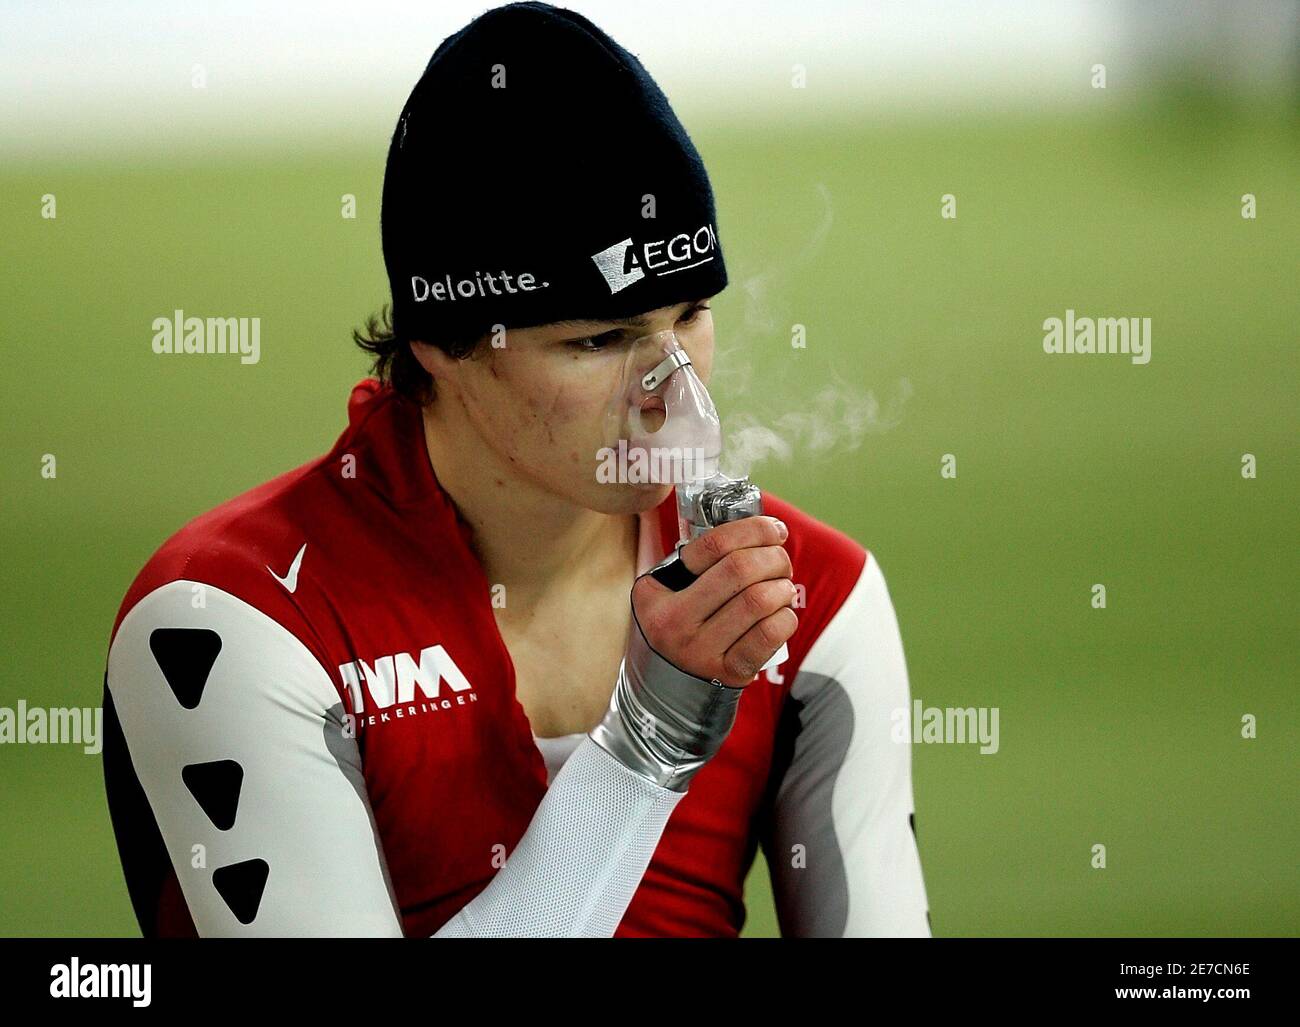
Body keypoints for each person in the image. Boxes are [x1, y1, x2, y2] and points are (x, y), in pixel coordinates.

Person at [101, 1, 930, 938]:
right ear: (443, 343)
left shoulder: (811, 596)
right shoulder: (232, 615)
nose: (673, 393)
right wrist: (647, 743)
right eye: (600, 338)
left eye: (692, 312)